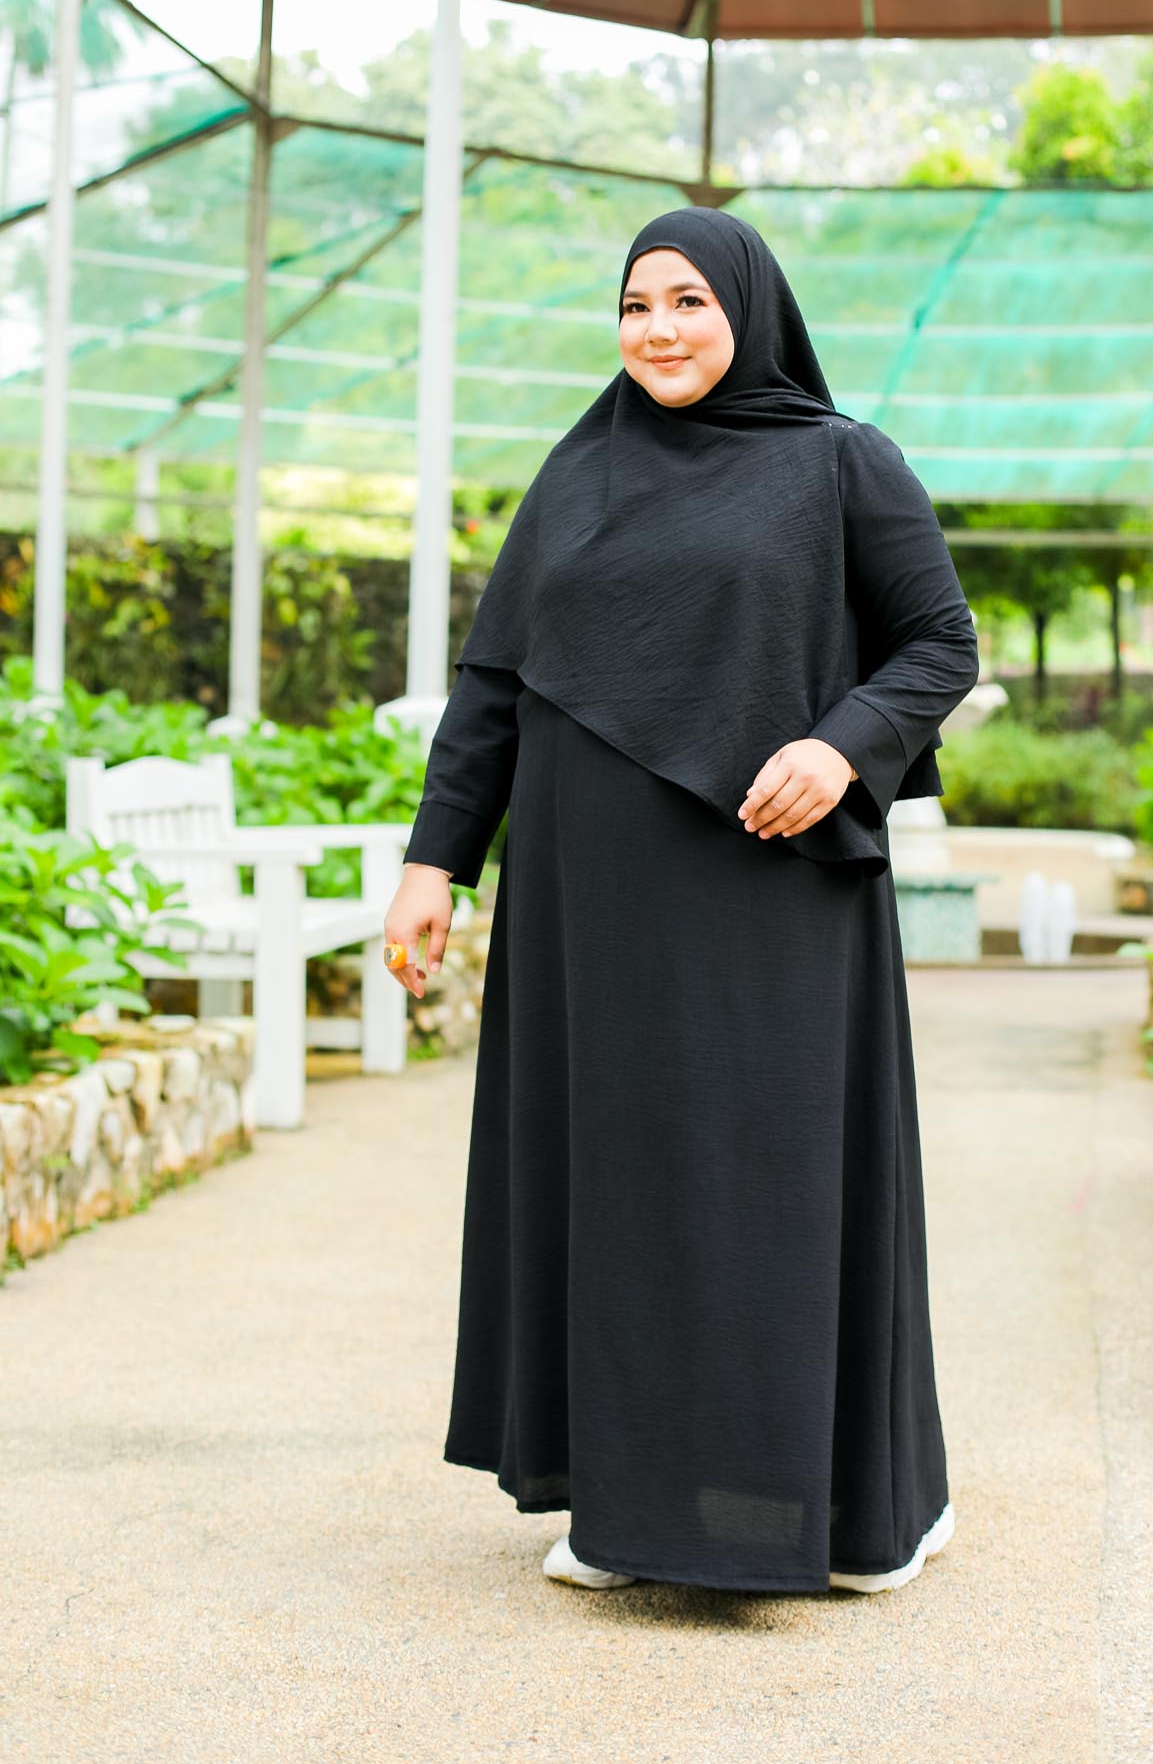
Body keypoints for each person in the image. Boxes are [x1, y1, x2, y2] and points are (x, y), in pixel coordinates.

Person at [384, 206, 980, 1598]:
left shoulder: (841, 462)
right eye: (636, 304)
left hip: (764, 894)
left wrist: (841, 747)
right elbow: (494, 684)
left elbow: (938, 643)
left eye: (689, 302)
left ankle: (853, 1514)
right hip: (586, 911)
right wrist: (433, 860)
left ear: (748, 312)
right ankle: (625, 1510)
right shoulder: (577, 473)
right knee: (614, 1186)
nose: (657, 329)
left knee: (761, 1190)